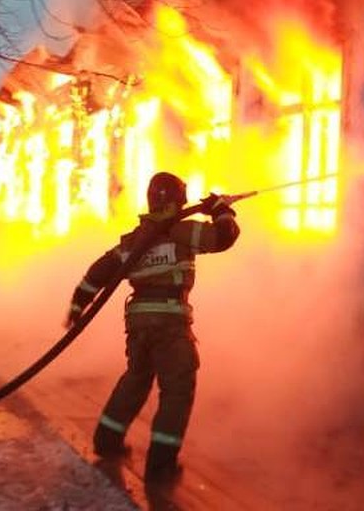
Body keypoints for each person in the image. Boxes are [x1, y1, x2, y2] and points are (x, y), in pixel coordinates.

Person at [66, 171, 240, 483]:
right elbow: (224, 237)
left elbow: (101, 270)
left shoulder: (135, 239)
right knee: (177, 389)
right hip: (170, 322)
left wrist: (79, 304)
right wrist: (221, 209)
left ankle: (107, 440)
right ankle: (160, 465)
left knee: (136, 378)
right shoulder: (183, 232)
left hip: (138, 321)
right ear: (178, 200)